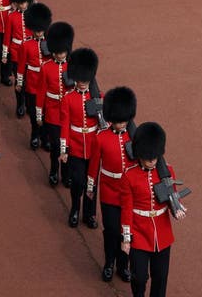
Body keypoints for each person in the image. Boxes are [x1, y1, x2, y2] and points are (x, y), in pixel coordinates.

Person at [120, 122, 187, 297]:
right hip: (139, 232)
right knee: (139, 277)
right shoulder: (129, 175)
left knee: (160, 278)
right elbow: (126, 208)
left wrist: (177, 207)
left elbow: (172, 196)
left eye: (155, 157)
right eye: (149, 158)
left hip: (162, 233)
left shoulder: (167, 171)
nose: (152, 161)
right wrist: (126, 238)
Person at [87, 86, 136, 282]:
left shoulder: (134, 137)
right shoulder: (101, 137)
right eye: (118, 121)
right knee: (111, 230)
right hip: (109, 190)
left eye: (124, 120)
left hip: (128, 193)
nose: (122, 124)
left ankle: (123, 266)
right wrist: (91, 187)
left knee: (126, 230)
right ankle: (109, 262)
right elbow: (93, 164)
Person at [59, 48, 101, 229]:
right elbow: (65, 125)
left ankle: (89, 214)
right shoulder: (68, 98)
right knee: (77, 182)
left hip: (93, 146)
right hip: (76, 146)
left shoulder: (97, 97)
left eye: (86, 80)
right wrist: (64, 149)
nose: (83, 83)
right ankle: (75, 208)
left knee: (92, 183)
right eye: (80, 79)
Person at [35, 22, 74, 186]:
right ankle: (53, 171)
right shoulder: (46, 67)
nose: (60, 55)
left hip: (69, 112)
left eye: (62, 52)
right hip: (52, 111)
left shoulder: (72, 66)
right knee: (56, 145)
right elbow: (41, 91)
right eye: (57, 52)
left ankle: (66, 175)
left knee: (68, 146)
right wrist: (39, 113)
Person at [17, 3, 52, 150]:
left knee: (45, 112)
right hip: (32, 82)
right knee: (33, 112)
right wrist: (19, 82)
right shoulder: (26, 44)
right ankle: (34, 135)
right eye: (36, 30)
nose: (39, 33)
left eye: (41, 30)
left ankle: (45, 137)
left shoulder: (50, 43)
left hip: (47, 83)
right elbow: (21, 65)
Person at [2, 0, 35, 117]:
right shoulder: (11, 16)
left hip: (30, 54)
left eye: (25, 2)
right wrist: (5, 54)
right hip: (16, 53)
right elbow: (7, 36)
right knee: (19, 80)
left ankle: (27, 103)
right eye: (21, 2)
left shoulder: (33, 16)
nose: (23, 5)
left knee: (28, 82)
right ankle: (20, 104)